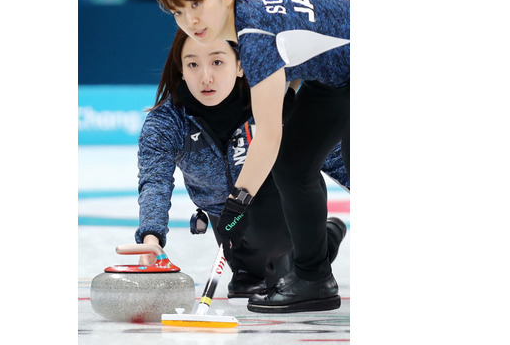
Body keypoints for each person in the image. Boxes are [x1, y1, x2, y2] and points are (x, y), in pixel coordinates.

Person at [156, 0, 350, 312]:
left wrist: (237, 203)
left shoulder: (254, 34)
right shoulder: (249, 18)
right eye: (178, 11)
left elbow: (269, 135)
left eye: (196, 3)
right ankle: (313, 278)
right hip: (336, 77)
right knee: (293, 165)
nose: (189, 20)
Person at [134, 28, 349, 298]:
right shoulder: (167, 122)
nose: (206, 77)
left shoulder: (270, 103)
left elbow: (330, 154)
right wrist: (151, 238)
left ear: (239, 65)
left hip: (281, 201)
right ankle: (323, 241)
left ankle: (310, 247)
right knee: (253, 280)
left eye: (217, 62)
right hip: (224, 219)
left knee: (271, 235)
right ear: (181, 70)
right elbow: (155, 182)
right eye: (192, 64)